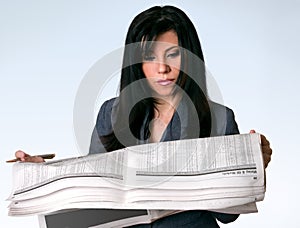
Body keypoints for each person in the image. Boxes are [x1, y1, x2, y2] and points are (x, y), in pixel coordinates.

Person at [14, 5, 272, 228]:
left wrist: (254, 168)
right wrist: (47, 177)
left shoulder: (219, 117)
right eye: (150, 57)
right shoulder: (111, 114)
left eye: (173, 54)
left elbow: (228, 216)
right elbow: (93, 194)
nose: (163, 68)